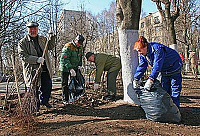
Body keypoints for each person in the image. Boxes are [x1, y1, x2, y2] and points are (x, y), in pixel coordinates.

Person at [133, 36, 183, 107]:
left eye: (139, 50)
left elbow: (157, 65)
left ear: (145, 46)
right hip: (164, 71)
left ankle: (175, 110)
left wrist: (151, 79)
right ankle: (167, 109)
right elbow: (142, 66)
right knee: (165, 89)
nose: (139, 53)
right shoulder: (143, 55)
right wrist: (136, 78)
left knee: (175, 89)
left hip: (174, 67)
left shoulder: (157, 49)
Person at [18, 21, 56, 112]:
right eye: (31, 29)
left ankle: (44, 101)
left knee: (47, 86)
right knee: (33, 90)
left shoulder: (42, 39)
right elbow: (23, 56)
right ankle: (35, 109)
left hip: (45, 68)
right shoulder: (23, 42)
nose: (33, 30)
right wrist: (36, 59)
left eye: (35, 28)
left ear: (37, 29)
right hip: (32, 71)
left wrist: (52, 36)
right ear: (28, 29)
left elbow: (50, 46)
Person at [59, 34, 85, 103]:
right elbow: (64, 59)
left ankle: (73, 97)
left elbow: (80, 57)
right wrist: (70, 68)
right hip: (65, 68)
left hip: (75, 67)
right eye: (78, 43)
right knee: (65, 83)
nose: (79, 44)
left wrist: (80, 65)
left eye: (80, 43)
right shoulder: (68, 46)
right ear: (75, 40)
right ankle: (65, 99)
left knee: (75, 82)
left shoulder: (80, 47)